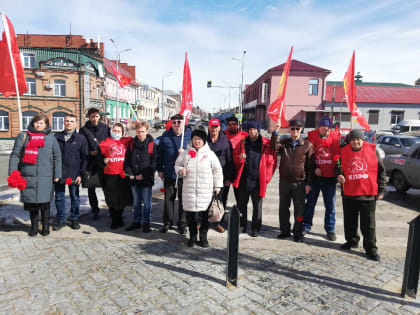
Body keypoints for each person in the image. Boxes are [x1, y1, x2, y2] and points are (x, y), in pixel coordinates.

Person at [8, 113, 62, 236]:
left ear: (46, 125)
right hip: (27, 175)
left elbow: (57, 157)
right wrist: (13, 173)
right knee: (31, 203)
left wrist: (57, 173)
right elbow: (15, 155)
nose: (39, 125)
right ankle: (33, 227)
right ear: (33, 123)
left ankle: (45, 226)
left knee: (45, 203)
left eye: (41, 123)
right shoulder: (24, 136)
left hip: (46, 175)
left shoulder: (51, 138)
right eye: (37, 122)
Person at [337, 129, 386, 261]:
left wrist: (381, 190)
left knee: (368, 224)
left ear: (363, 140)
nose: (356, 142)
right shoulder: (344, 151)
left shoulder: (373, 151)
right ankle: (352, 241)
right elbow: (338, 168)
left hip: (367, 194)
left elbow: (381, 173)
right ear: (350, 141)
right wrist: (339, 175)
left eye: (359, 139)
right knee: (349, 221)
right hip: (349, 193)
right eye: (353, 139)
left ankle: (371, 249)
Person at [175, 129, 223, 247]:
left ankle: (203, 238)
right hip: (189, 190)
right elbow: (177, 165)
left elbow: (217, 170)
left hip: (205, 191)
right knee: (191, 216)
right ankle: (192, 237)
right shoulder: (185, 153)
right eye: (195, 139)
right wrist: (180, 170)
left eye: (199, 139)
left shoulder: (210, 154)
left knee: (204, 217)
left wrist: (217, 186)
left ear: (204, 141)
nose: (197, 141)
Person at [271, 119, 315, 242]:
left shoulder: (307, 145)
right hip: (284, 181)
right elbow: (273, 147)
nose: (295, 131)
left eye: (297, 128)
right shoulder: (285, 143)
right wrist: (276, 131)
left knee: (299, 210)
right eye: (292, 128)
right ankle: (285, 231)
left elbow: (311, 167)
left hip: (300, 182)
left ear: (301, 130)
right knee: (283, 208)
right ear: (289, 130)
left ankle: (297, 232)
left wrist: (309, 184)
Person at [234, 120, 277, 237]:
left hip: (258, 181)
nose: (252, 132)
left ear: (258, 130)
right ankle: (242, 225)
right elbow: (235, 159)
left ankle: (255, 227)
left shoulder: (265, 144)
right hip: (244, 180)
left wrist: (267, 178)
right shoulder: (242, 143)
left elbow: (272, 162)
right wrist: (239, 158)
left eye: (254, 129)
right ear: (247, 131)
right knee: (242, 205)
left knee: (257, 207)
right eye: (250, 129)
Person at [303, 116, 341, 241]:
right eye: (324, 126)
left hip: (330, 179)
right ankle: (306, 225)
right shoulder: (311, 137)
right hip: (315, 178)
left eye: (329, 127)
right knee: (310, 204)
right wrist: (314, 169)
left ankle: (330, 229)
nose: (326, 129)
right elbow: (307, 158)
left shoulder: (336, 138)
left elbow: (340, 156)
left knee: (330, 206)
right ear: (319, 126)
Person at [157, 114, 192, 234]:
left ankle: (182, 223)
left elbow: (196, 153)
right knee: (169, 199)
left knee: (183, 199)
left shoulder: (190, 136)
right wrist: (160, 169)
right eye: (174, 122)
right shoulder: (165, 136)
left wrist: (185, 153)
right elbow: (159, 154)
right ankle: (167, 222)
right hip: (169, 172)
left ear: (183, 123)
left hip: (184, 173)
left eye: (179, 122)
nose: (176, 124)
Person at [53, 114, 88, 231]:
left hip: (74, 173)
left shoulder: (80, 138)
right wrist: (54, 172)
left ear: (76, 123)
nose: (69, 123)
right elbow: (52, 156)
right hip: (59, 173)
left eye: (72, 121)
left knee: (75, 197)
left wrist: (81, 174)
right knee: (59, 197)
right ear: (64, 122)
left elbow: (84, 158)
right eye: (67, 121)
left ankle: (74, 219)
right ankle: (61, 220)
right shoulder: (56, 137)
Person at [124, 121, 157, 233]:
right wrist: (130, 174)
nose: (140, 134)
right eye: (138, 131)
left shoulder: (152, 144)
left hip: (146, 179)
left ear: (147, 131)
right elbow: (127, 161)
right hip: (134, 179)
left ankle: (146, 223)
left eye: (142, 131)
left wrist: (143, 175)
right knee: (136, 202)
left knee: (147, 203)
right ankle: (136, 221)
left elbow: (154, 163)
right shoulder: (132, 144)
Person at [99, 123, 132, 229]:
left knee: (122, 198)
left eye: (118, 131)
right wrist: (103, 161)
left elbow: (141, 137)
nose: (116, 133)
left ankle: (119, 217)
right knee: (111, 199)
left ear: (122, 133)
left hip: (122, 174)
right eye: (114, 130)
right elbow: (98, 159)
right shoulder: (105, 143)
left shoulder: (126, 142)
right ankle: (114, 219)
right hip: (110, 174)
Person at [79, 107, 110, 220]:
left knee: (106, 187)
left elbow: (110, 142)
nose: (95, 119)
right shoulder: (83, 130)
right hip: (90, 162)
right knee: (91, 188)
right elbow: (81, 145)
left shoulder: (105, 128)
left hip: (103, 162)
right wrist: (89, 152)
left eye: (97, 116)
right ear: (88, 117)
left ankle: (110, 208)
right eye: (92, 116)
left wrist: (105, 153)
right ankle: (95, 210)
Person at [207, 118, 234, 233]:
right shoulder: (204, 141)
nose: (214, 129)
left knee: (220, 200)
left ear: (219, 127)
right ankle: (203, 221)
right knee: (206, 199)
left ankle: (218, 222)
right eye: (212, 127)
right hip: (207, 176)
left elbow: (229, 161)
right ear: (209, 127)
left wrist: (229, 178)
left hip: (221, 177)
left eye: (216, 127)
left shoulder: (225, 141)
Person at [223, 116, 248, 206]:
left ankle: (240, 215)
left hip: (239, 169)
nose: (232, 126)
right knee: (223, 194)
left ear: (237, 125)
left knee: (239, 195)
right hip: (226, 168)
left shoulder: (244, 135)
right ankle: (220, 215)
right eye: (229, 125)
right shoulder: (223, 134)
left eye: (234, 124)